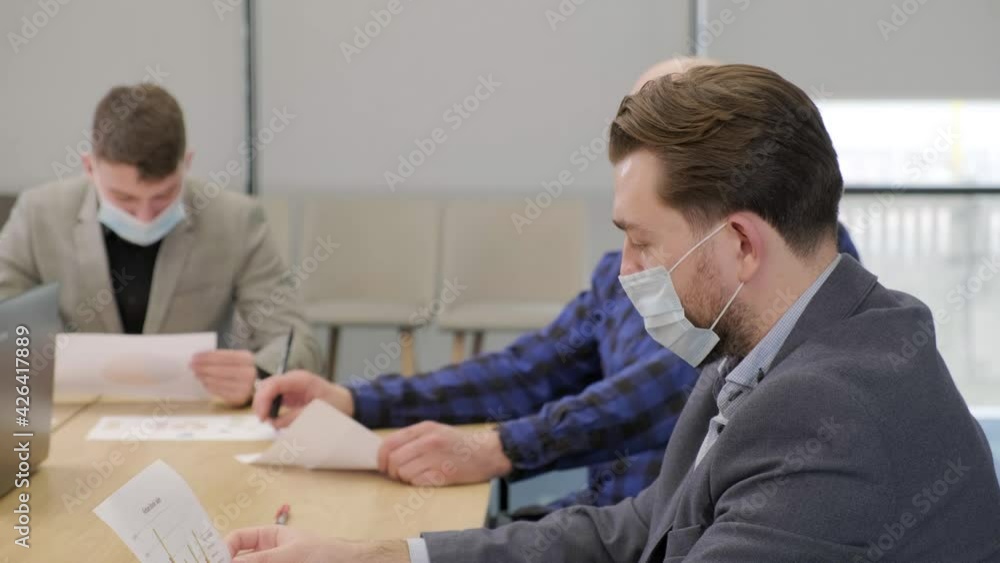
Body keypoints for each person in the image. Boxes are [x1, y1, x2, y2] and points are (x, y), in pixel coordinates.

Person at [227, 64, 1000, 562]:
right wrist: (384, 556)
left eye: (639, 242)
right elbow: (640, 528)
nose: (626, 272)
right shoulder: (760, 345)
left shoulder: (829, 411)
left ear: (738, 243)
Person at [0, 83, 323, 405]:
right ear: (89, 167)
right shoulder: (39, 214)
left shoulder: (235, 220)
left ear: (187, 163)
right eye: (123, 198)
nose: (143, 217)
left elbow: (296, 340)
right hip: (70, 411)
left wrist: (258, 375)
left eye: (163, 196)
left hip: (193, 417)